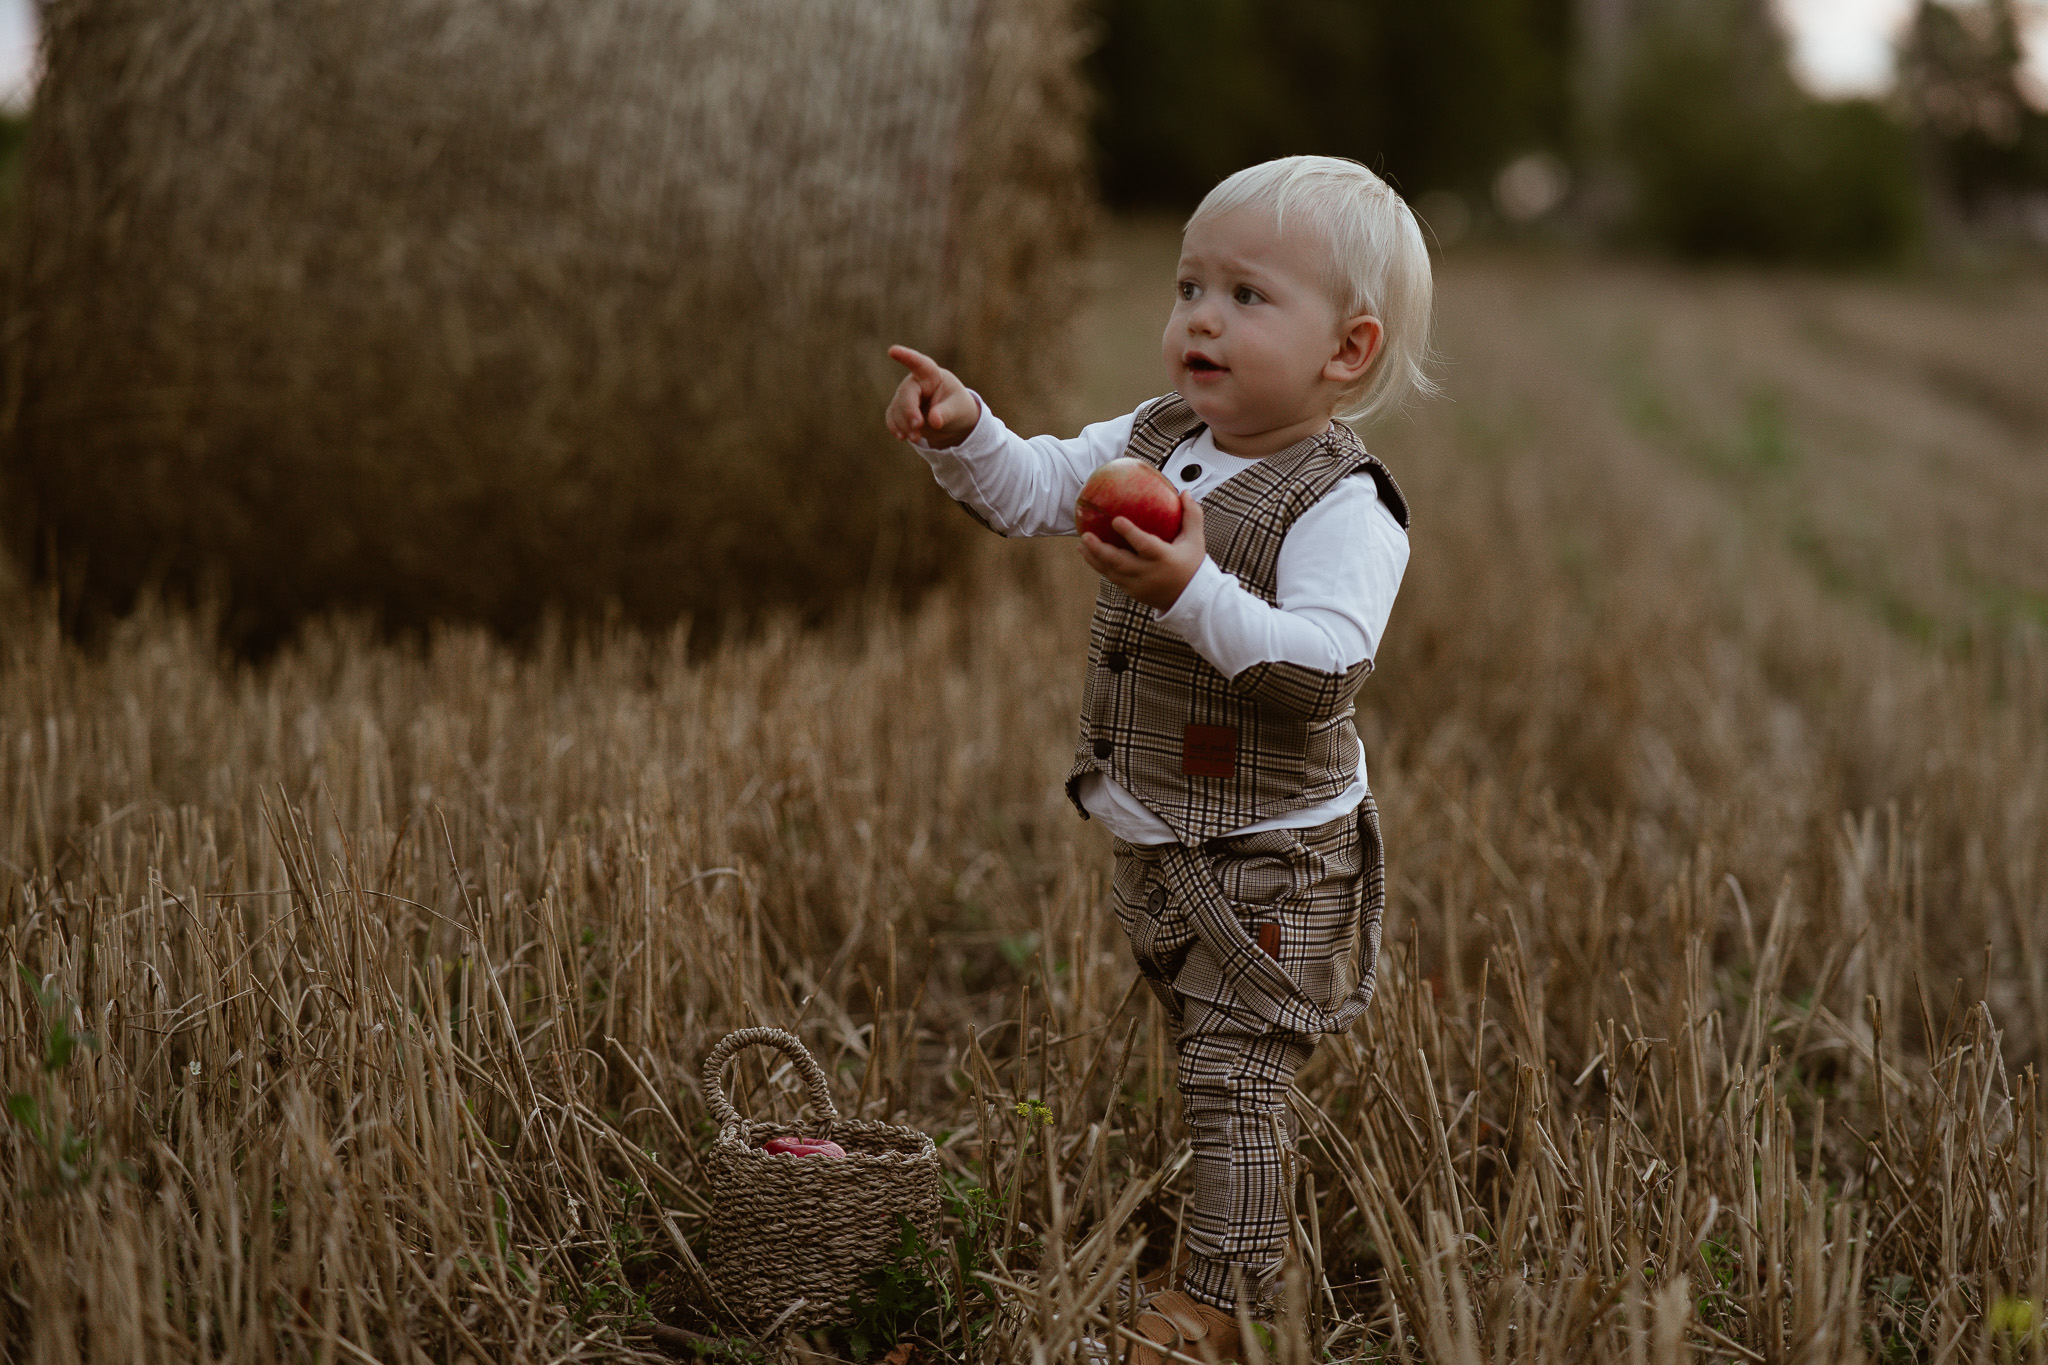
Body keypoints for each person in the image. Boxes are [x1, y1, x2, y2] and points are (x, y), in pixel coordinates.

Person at [884, 154, 1434, 1364]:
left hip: (1270, 857)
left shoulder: (1344, 504)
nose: (1200, 318)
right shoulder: (1155, 435)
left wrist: (1189, 586)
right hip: (1164, 836)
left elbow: (1319, 672)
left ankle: (1221, 1304)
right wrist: (966, 432)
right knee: (1204, 1059)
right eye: (1190, 286)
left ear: (1345, 351)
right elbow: (1034, 488)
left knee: (1235, 1075)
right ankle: (1227, 1238)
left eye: (1246, 296)